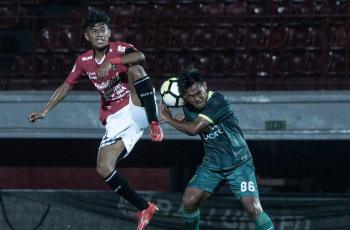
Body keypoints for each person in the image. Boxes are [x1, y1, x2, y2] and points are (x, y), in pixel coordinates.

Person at [28, 8, 161, 230]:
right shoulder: (83, 60)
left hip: (136, 107)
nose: (99, 33)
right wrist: (45, 110)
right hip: (115, 119)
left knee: (136, 69)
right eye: (94, 30)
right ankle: (144, 207)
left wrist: (115, 61)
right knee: (103, 167)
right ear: (87, 36)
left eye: (103, 29)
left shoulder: (119, 48)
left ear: (109, 33)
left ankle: (156, 123)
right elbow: (66, 85)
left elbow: (140, 56)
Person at [159, 67, 275, 230]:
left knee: (253, 209)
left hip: (239, 164)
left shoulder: (217, 100)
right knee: (189, 201)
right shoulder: (188, 108)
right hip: (212, 165)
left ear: (205, 86)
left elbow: (194, 129)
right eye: (191, 97)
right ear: (184, 98)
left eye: (199, 93)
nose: (197, 99)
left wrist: (169, 120)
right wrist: (183, 121)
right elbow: (193, 130)